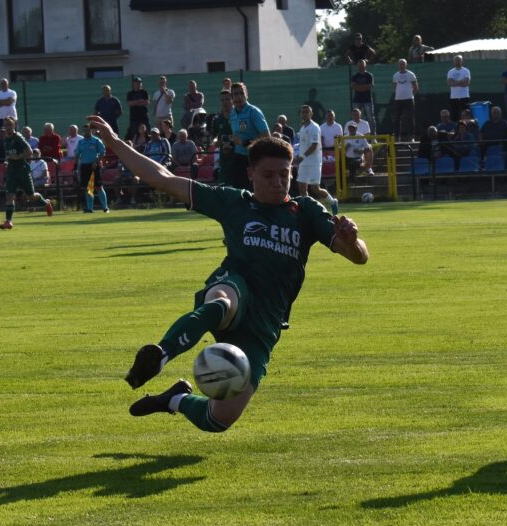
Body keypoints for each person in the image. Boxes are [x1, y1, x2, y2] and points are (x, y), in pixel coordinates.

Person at [89, 114, 369, 434]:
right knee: (223, 300)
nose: (278, 182)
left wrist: (353, 241)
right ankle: (162, 354)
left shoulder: (306, 212)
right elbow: (163, 177)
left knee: (219, 419)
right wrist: (113, 142)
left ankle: (175, 400)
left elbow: (358, 258)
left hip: (264, 324)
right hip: (235, 285)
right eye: (268, 175)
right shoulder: (234, 203)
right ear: (250, 174)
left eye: (284, 174)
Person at [0, 118, 54, 229]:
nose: (7, 127)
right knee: (9, 196)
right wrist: (6, 160)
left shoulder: (18, 137)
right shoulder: (6, 140)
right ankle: (8, 221)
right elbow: (8, 154)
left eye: (10, 125)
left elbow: (29, 152)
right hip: (12, 172)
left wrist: (17, 157)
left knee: (31, 197)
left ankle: (46, 203)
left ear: (14, 125)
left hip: (22, 171)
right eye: (6, 125)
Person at [294, 104, 337, 213]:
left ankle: (332, 202)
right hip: (303, 162)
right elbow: (303, 145)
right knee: (302, 188)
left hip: (314, 162)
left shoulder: (315, 127)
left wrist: (302, 157)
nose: (304, 114)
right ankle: (308, 211)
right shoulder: (302, 128)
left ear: (311, 114)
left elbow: (314, 145)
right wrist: (298, 157)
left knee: (315, 189)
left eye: (306, 112)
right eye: (302, 112)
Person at [228, 82, 271, 190]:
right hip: (239, 157)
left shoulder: (254, 112)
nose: (238, 97)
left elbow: (266, 137)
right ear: (232, 98)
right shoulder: (233, 114)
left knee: (254, 192)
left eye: (241, 93)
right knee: (238, 194)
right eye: (235, 94)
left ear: (246, 94)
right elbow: (236, 136)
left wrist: (244, 143)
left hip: (254, 158)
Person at [75, 123, 110, 213]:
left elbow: (103, 152)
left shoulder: (96, 141)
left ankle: (105, 207)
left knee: (99, 187)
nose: (86, 132)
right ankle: (90, 208)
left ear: (91, 130)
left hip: (94, 166)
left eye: (87, 130)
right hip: (84, 166)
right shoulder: (81, 142)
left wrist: (96, 161)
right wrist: (76, 166)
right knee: (88, 188)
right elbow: (77, 154)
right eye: (84, 130)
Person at [392, 58, 419, 141]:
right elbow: (395, 87)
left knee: (410, 118)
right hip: (398, 100)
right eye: (400, 64)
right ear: (398, 65)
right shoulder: (395, 75)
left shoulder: (411, 74)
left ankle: (411, 137)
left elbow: (416, 88)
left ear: (406, 65)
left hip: (409, 99)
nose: (401, 65)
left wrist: (410, 95)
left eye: (403, 64)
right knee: (397, 118)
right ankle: (397, 137)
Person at [349, 59, 376, 133]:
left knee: (370, 118)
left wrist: (359, 87)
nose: (361, 67)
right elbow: (353, 86)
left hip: (367, 100)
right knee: (355, 118)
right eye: (359, 65)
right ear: (358, 66)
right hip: (357, 100)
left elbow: (370, 86)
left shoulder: (369, 75)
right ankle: (354, 134)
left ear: (365, 65)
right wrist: (364, 87)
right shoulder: (355, 76)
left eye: (362, 65)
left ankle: (373, 136)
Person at [346, 108, 375, 175]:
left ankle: (368, 168)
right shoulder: (348, 123)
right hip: (350, 146)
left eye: (357, 114)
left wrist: (361, 149)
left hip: (362, 144)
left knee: (369, 148)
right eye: (354, 115)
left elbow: (366, 136)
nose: (355, 116)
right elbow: (346, 136)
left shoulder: (365, 123)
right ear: (351, 115)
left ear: (360, 115)